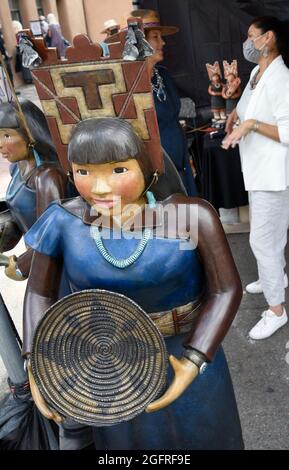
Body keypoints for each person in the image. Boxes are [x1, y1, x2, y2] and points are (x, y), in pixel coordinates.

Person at [23, 116, 243, 450]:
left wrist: (195, 358)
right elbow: (40, 291)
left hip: (186, 351)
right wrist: (38, 359)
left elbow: (225, 289)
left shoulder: (187, 218)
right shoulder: (64, 222)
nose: (99, 188)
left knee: (204, 437)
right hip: (109, 368)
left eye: (117, 170)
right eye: (84, 172)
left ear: (146, 166)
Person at [222, 16, 289, 340]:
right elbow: (249, 107)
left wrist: (250, 126)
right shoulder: (255, 72)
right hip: (256, 169)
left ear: (268, 38)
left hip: (273, 174)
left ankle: (276, 309)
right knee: (272, 237)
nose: (247, 43)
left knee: (261, 241)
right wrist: (236, 112)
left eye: (252, 36)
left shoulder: (282, 79)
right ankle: (273, 274)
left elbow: (288, 132)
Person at [128, 9, 197, 196]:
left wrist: (186, 157)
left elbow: (173, 120)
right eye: (156, 37)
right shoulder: (130, 85)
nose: (162, 42)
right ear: (141, 42)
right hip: (154, 173)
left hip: (179, 163)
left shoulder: (164, 75)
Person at [0, 98, 69, 280]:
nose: (0, 144)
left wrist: (21, 267)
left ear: (30, 133)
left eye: (6, 135)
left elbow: (52, 233)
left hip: (55, 271)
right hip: (37, 261)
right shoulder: (17, 167)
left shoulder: (48, 177)